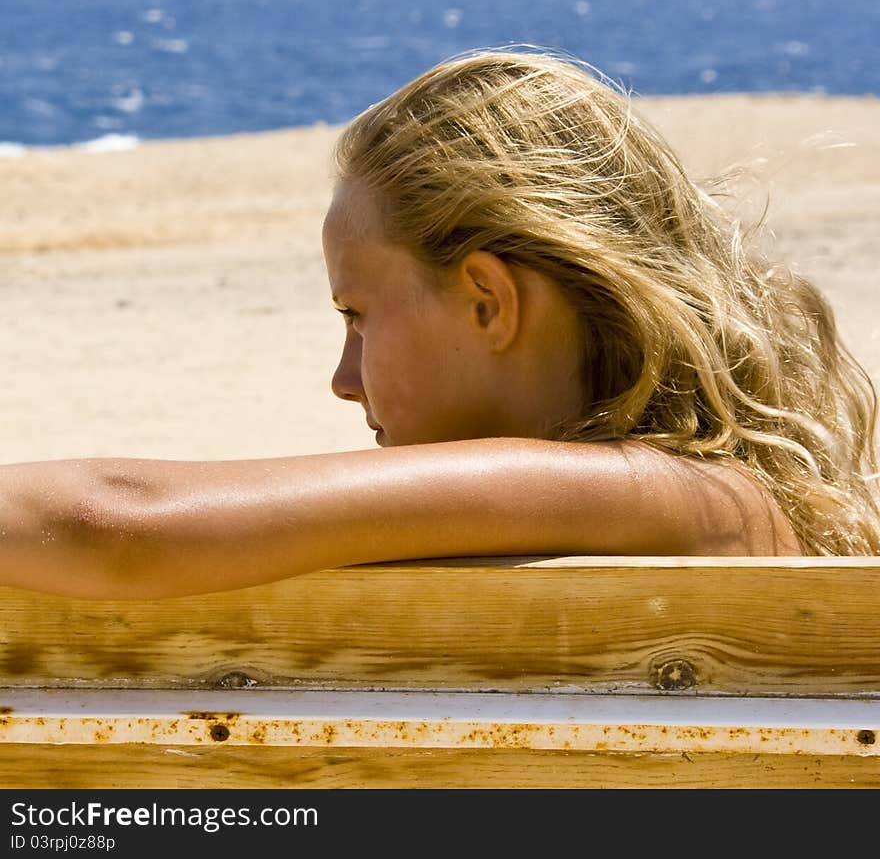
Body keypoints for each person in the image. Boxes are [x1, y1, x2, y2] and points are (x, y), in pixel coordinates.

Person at [2, 47, 878, 600]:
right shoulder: (697, 498)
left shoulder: (669, 499)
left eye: (358, 317)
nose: (344, 380)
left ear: (488, 301)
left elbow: (116, 526)